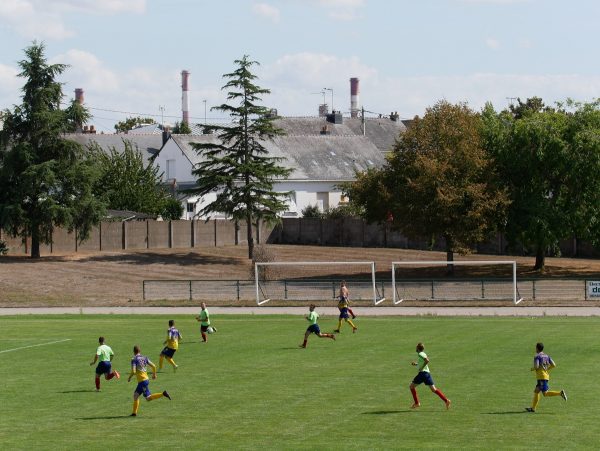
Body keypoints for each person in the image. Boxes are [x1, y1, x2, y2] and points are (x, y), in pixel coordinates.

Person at [127, 345, 171, 417]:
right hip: (145, 380)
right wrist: (154, 375)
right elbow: (154, 366)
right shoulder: (145, 358)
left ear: (134, 352)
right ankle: (134, 413)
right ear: (139, 351)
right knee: (135, 395)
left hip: (142, 381)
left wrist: (129, 377)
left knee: (148, 398)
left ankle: (163, 394)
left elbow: (134, 371)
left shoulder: (134, 359)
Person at [525, 342, 567, 412]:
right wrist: (547, 369)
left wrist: (532, 369)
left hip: (541, 377)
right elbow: (554, 364)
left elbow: (537, 366)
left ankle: (560, 393)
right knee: (537, 391)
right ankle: (533, 408)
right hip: (545, 376)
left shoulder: (537, 356)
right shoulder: (547, 356)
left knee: (545, 393)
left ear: (537, 348)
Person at [409, 342, 451, 410]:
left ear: (418, 348)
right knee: (434, 389)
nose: (415, 348)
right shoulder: (423, 353)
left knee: (411, 386)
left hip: (422, 374)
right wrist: (416, 364)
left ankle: (417, 403)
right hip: (427, 374)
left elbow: (427, 360)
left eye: (416, 347)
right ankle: (446, 401)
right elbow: (423, 361)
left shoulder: (420, 354)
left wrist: (421, 368)